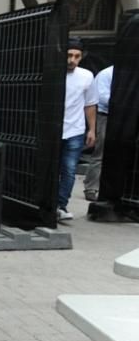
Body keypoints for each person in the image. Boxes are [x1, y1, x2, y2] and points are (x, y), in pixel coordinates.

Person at [58, 38, 96, 221]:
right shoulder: (54, 73)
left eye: (77, 56)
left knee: (69, 169)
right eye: (69, 55)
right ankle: (50, 204)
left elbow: (90, 104)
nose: (72, 60)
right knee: (51, 169)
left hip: (75, 129)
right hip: (55, 129)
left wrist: (92, 130)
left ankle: (61, 205)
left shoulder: (87, 76)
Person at [83, 64, 113, 202]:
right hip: (104, 115)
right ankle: (91, 188)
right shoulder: (107, 74)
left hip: (122, 116)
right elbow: (101, 97)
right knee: (99, 153)